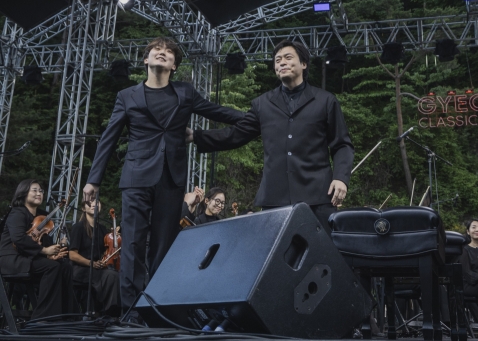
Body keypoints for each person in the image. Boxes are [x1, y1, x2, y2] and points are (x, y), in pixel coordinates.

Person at [82, 36, 244, 318]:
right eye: (157, 50)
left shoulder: (185, 92)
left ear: (174, 65)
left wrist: (254, 118)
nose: (162, 53)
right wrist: (93, 179)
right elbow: (108, 139)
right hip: (136, 176)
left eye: (169, 52)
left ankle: (156, 310)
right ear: (146, 59)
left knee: (162, 246)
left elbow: (217, 112)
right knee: (131, 244)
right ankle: (130, 313)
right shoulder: (127, 96)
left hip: (171, 177)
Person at [186, 40, 354, 233]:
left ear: (304, 64)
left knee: (322, 256)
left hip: (318, 197)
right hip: (275, 200)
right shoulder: (262, 104)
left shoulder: (326, 101)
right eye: (277, 60)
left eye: (288, 58)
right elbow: (235, 134)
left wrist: (341, 178)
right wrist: (195, 136)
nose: (281, 63)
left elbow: (342, 145)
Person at [0, 179, 76, 319]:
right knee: (52, 268)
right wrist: (44, 252)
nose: (38, 193)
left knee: (65, 267)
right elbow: (19, 239)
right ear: (23, 193)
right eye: (34, 190)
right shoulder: (17, 213)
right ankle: (43, 318)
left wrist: (50, 254)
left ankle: (66, 316)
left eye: (40, 190)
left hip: (29, 258)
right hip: (12, 259)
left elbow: (44, 243)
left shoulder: (42, 217)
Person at [69, 199, 120, 316]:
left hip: (98, 268)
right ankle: (106, 312)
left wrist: (114, 238)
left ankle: (110, 312)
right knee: (111, 276)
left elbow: (106, 251)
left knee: (115, 275)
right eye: (90, 203)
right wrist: (90, 263)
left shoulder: (102, 229)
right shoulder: (78, 227)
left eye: (97, 202)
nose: (94, 205)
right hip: (81, 269)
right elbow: (72, 255)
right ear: (83, 208)